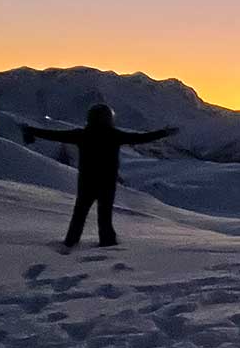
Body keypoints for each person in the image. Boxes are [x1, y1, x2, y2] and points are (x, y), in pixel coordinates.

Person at [20, 104, 177, 248]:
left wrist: (32, 130)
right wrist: (164, 133)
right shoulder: (114, 135)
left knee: (79, 215)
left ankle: (70, 243)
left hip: (86, 182)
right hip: (107, 183)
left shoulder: (82, 135)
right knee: (105, 216)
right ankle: (107, 244)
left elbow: (54, 135)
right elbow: (140, 138)